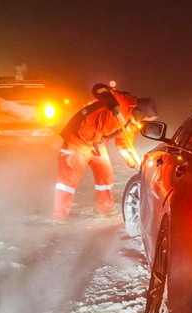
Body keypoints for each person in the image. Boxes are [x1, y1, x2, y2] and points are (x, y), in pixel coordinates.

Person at [52, 83, 157, 221]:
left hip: (97, 143)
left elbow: (124, 145)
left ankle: (103, 210)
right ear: (139, 111)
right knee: (68, 179)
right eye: (143, 118)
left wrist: (136, 164)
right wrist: (110, 101)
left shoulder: (130, 124)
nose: (141, 122)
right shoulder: (122, 101)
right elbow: (98, 88)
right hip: (78, 138)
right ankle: (59, 216)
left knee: (105, 175)